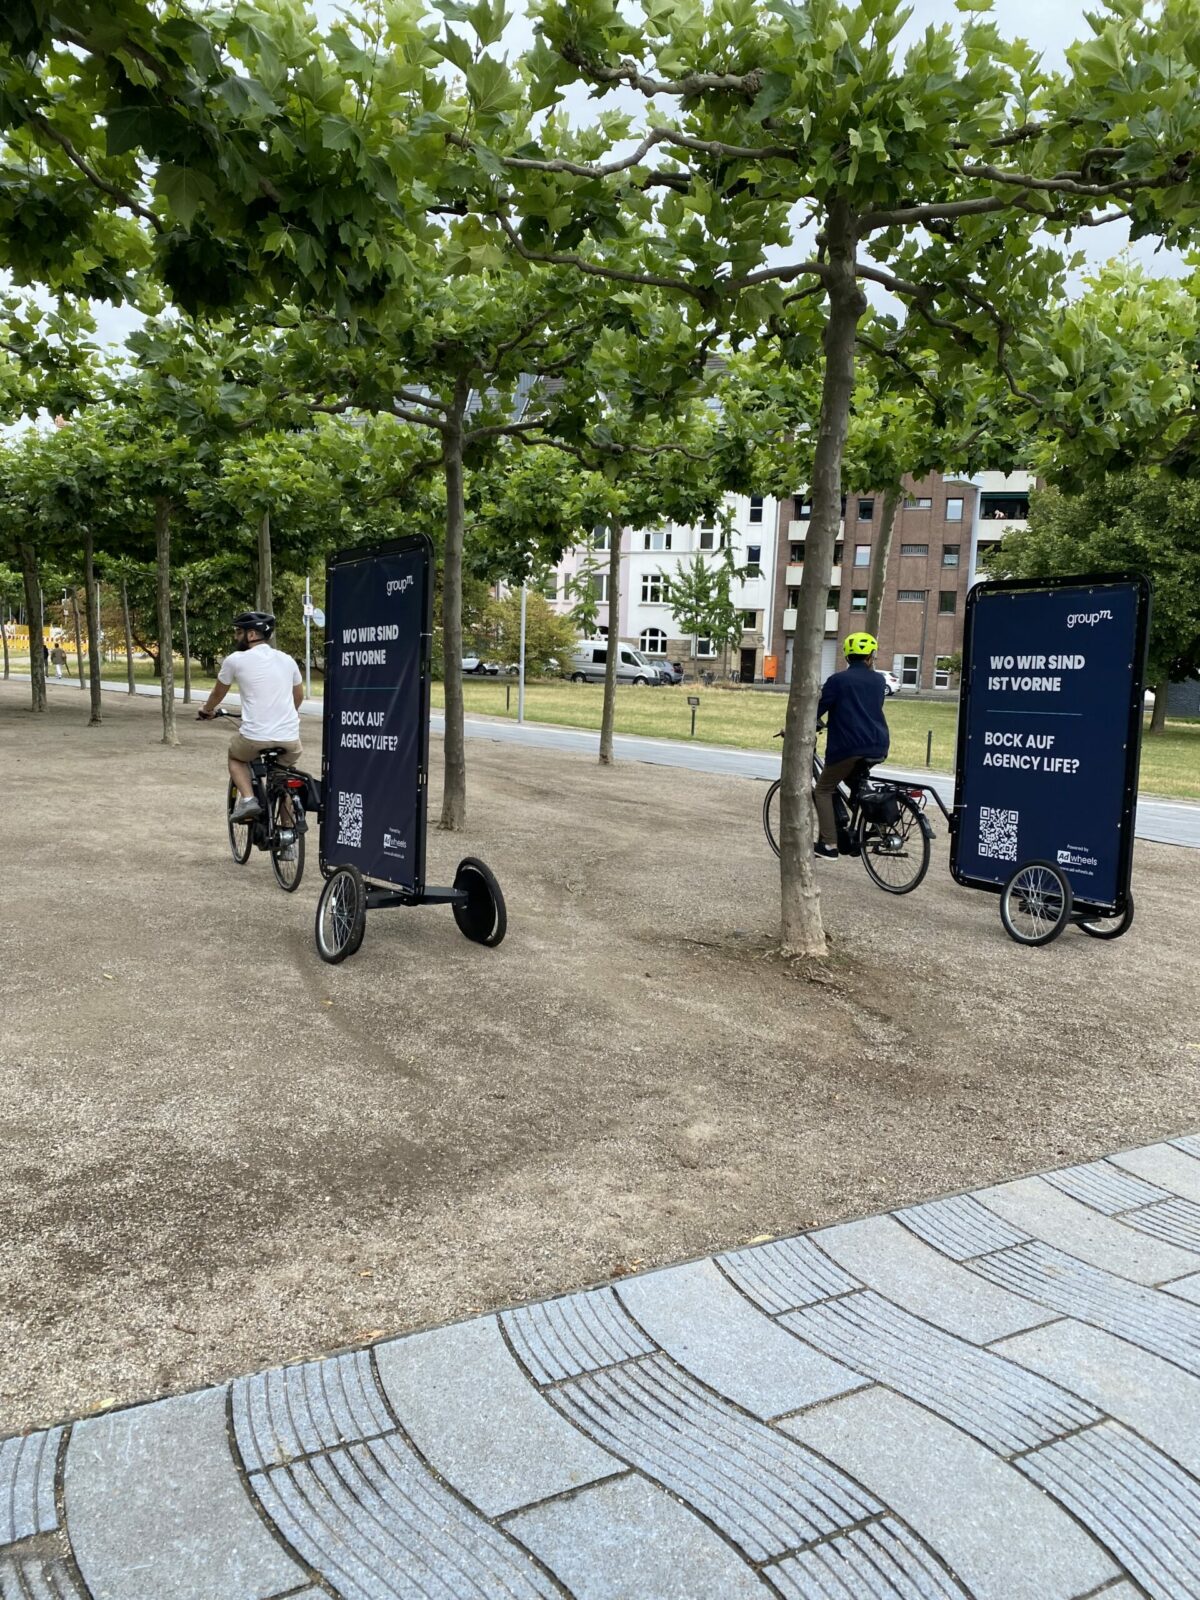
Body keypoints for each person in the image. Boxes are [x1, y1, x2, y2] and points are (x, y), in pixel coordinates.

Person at [197, 611, 303, 822]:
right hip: (290, 739)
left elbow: (219, 693)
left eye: (239, 632)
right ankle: (288, 840)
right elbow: (297, 696)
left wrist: (207, 709)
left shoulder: (235, 659)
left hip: (255, 737)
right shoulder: (287, 660)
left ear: (252, 635)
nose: (236, 637)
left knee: (235, 757)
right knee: (284, 779)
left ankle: (248, 800)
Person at [813, 632, 890, 859]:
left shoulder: (837, 681)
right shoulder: (879, 680)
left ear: (847, 656)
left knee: (823, 789)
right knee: (854, 782)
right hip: (878, 744)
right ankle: (870, 827)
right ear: (870, 657)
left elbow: (817, 710)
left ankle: (829, 845)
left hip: (848, 747)